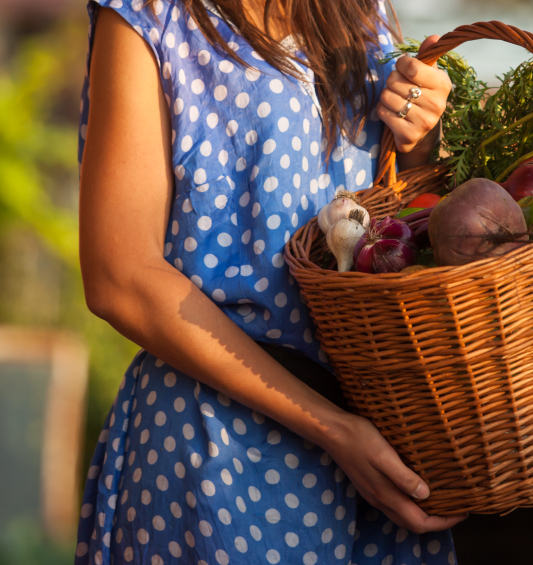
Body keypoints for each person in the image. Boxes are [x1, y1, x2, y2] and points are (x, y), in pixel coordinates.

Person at [73, 0, 463, 563]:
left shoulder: (360, 12)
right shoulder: (151, 15)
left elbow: (383, 219)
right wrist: (332, 428)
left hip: (374, 456)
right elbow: (120, 275)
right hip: (216, 451)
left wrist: (418, 138)